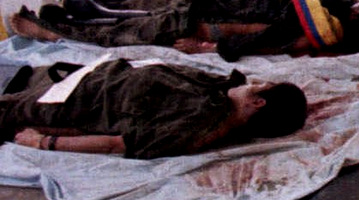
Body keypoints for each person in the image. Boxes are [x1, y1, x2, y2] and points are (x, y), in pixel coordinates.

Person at [9, 0, 359, 62]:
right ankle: (99, 12)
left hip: (211, 26)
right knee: (150, 11)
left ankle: (52, 30)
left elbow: (265, 45)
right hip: (225, 0)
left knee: (129, 34)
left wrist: (208, 48)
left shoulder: (316, 36)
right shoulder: (336, 7)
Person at [0, 57, 306, 159]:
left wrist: (42, 142)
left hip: (76, 103)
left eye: (261, 86)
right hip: (96, 79)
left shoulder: (200, 125)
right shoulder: (220, 93)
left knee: (7, 108)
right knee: (20, 79)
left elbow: (113, 144)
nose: (255, 81)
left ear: (258, 102)